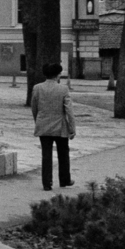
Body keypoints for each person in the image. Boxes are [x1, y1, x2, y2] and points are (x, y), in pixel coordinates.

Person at [30, 62, 75, 192]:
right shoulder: (63, 89)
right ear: (58, 74)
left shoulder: (37, 88)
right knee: (63, 153)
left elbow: (34, 107)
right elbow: (69, 111)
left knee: (46, 155)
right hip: (60, 126)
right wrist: (72, 128)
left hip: (43, 125)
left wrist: (38, 121)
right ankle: (65, 179)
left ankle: (47, 183)